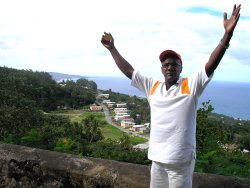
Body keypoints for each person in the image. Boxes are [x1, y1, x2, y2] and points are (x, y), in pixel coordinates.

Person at [101, 4, 241, 188]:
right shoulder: (153, 86)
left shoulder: (190, 85)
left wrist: (227, 36)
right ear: (161, 69)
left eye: (174, 64)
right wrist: (112, 48)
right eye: (166, 65)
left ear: (181, 68)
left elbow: (210, 65)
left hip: (180, 162)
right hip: (157, 160)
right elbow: (129, 71)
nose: (169, 67)